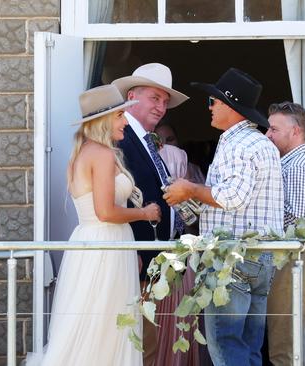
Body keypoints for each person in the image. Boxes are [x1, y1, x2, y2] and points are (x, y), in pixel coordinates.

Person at [25, 84, 160, 365]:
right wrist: (145, 214)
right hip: (105, 243)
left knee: (98, 319)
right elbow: (106, 211)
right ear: (103, 120)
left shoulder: (83, 152)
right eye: (120, 116)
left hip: (96, 242)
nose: (125, 121)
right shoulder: (102, 154)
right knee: (106, 321)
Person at [164, 68, 284, 366]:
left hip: (233, 259)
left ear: (229, 105)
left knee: (227, 346)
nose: (209, 107)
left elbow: (232, 197)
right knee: (250, 347)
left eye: (212, 102)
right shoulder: (260, 143)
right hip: (259, 257)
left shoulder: (237, 144)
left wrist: (190, 188)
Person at [111, 63, 193, 366]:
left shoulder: (144, 137)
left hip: (153, 261)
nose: (161, 107)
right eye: (154, 98)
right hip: (134, 258)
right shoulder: (120, 138)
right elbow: (115, 199)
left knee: (146, 343)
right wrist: (132, 250)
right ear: (132, 97)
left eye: (165, 102)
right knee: (136, 343)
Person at [265, 102, 305, 365]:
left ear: (295, 131)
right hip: (295, 262)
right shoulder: (295, 163)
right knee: (287, 343)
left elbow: (296, 225)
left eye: (273, 129)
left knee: (284, 347)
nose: (267, 135)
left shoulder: (297, 167)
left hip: (293, 261)